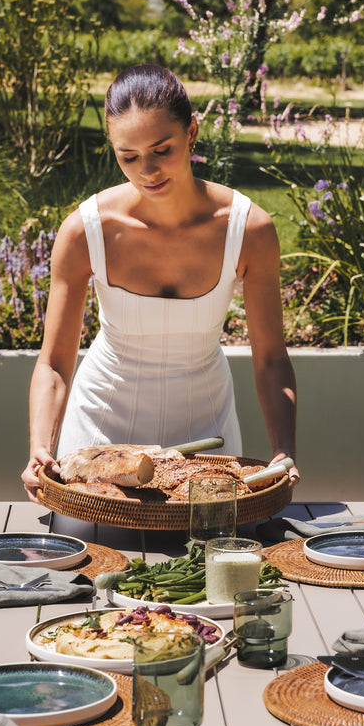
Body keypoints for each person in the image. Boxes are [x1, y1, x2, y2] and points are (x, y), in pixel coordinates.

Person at [22, 64, 298, 502]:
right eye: (127, 156)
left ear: (192, 132)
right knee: (98, 562)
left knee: (200, 563)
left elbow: (270, 360)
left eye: (161, 149)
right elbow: (54, 363)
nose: (146, 170)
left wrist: (284, 449)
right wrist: (41, 447)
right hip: (100, 432)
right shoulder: (85, 231)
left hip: (207, 433)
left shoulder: (248, 229)